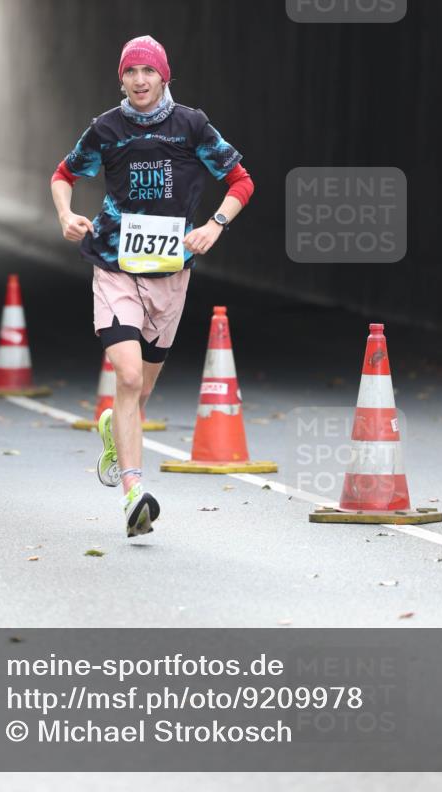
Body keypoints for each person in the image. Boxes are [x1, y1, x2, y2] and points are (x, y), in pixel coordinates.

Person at [51, 35, 254, 537]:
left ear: (165, 77)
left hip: (170, 274)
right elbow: (63, 173)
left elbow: (241, 181)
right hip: (115, 264)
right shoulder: (107, 128)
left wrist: (214, 225)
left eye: (149, 72)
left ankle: (113, 434)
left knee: (139, 396)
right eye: (130, 72)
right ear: (120, 78)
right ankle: (133, 495)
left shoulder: (192, 126)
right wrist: (65, 215)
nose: (139, 81)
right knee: (127, 377)